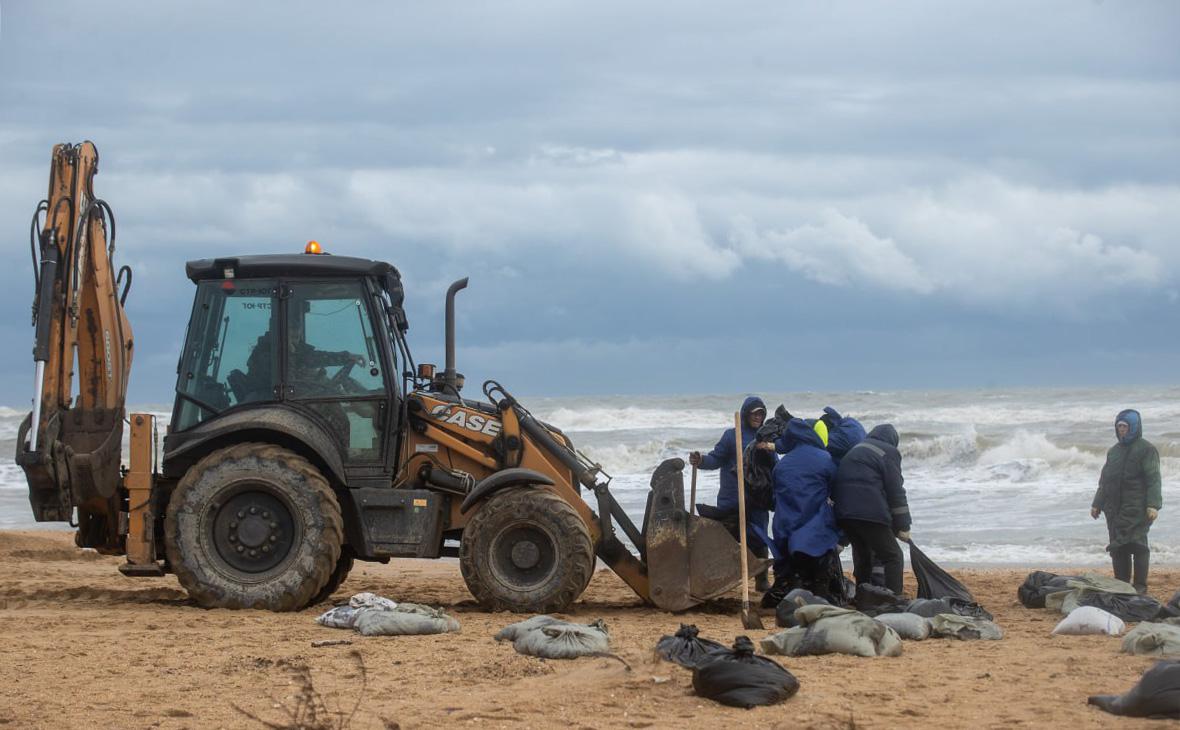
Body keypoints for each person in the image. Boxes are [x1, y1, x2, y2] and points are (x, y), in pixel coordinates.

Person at [690, 396, 773, 592]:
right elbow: (715, 459)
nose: (758, 417)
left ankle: (761, 581)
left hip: (757, 500)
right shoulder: (731, 436)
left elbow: (773, 466)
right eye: (755, 413)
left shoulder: (765, 438)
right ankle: (717, 578)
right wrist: (701, 460)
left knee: (759, 539)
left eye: (761, 413)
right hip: (731, 499)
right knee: (724, 539)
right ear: (746, 414)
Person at [830, 424, 910, 595]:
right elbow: (895, 491)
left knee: (863, 555)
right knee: (893, 556)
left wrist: (842, 538)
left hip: (844, 513)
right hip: (869, 513)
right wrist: (903, 526)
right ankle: (893, 600)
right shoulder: (889, 452)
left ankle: (863, 595)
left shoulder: (856, 449)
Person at [1092, 409, 1162, 594]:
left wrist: (1153, 505)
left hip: (1137, 507)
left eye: (1124, 427)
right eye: (1119, 427)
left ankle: (1140, 587)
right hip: (1113, 509)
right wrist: (1097, 503)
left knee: (1138, 546)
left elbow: (1153, 479)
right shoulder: (1113, 452)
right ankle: (1121, 586)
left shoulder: (1147, 449)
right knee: (1118, 548)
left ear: (1134, 427)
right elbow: (1105, 481)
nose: (1121, 430)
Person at [770, 417, 840, 601]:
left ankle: (795, 598)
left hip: (786, 527)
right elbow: (835, 490)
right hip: (816, 527)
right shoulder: (825, 459)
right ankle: (821, 597)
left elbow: (775, 496)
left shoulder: (782, 464)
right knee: (821, 570)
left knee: (796, 573)